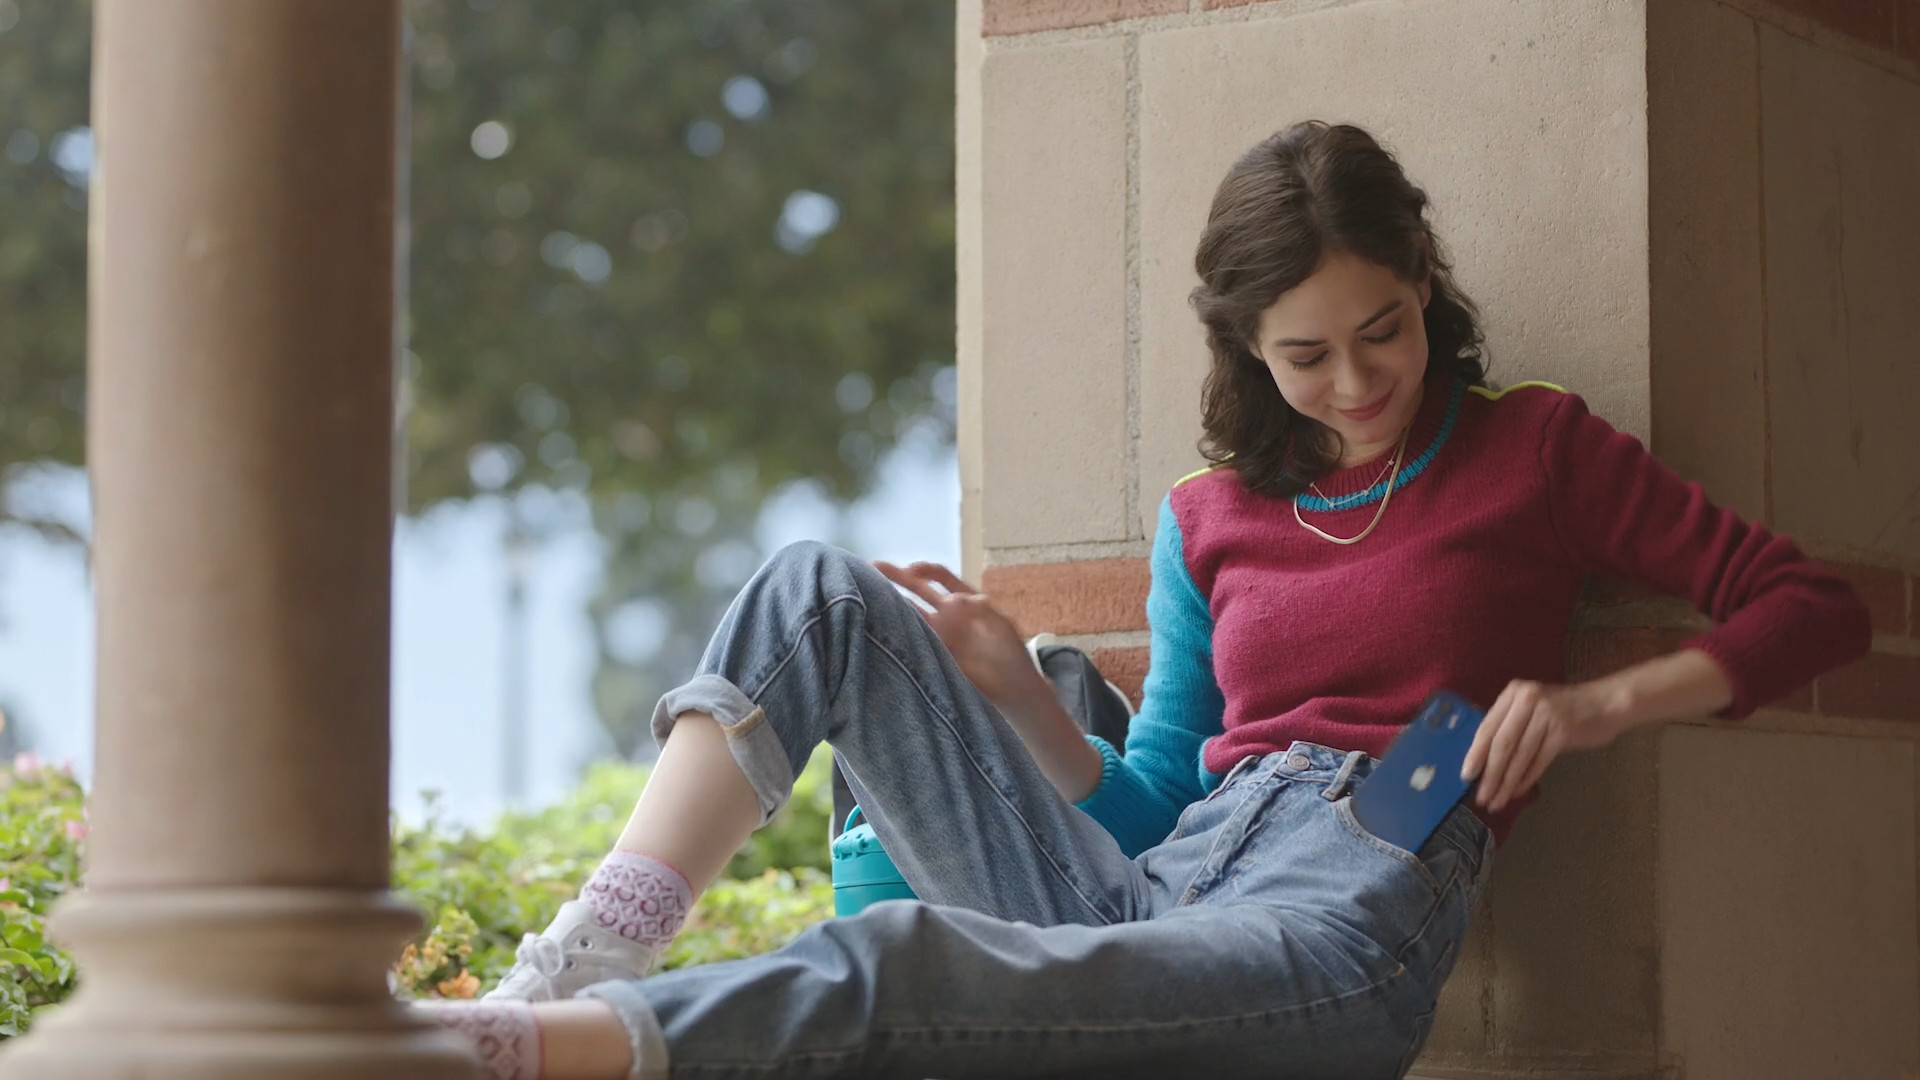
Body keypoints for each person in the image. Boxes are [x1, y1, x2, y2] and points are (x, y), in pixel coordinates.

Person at [417, 121, 1872, 1080]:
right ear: (1248, 348)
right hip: (1158, 890)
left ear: (1425, 280)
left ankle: (491, 1058)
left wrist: (1598, 704)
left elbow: (1810, 607)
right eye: (1307, 357)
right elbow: (1156, 804)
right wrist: (1010, 692)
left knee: (900, 960)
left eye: (1385, 331)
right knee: (817, 594)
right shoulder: (1209, 517)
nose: (1357, 383)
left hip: (1334, 925)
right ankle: (579, 964)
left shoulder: (1533, 450)